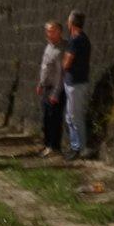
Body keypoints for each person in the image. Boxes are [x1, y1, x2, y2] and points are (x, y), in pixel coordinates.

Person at [62, 10, 92, 160]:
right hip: (75, 82)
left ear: (71, 23)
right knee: (70, 116)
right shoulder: (83, 39)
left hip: (76, 83)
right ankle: (75, 145)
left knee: (75, 116)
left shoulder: (75, 40)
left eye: (68, 21)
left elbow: (67, 63)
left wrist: (64, 62)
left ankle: (81, 147)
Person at [37, 21, 67, 157]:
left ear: (59, 31)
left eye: (51, 30)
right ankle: (47, 144)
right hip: (46, 88)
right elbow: (45, 67)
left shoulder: (62, 49)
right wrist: (40, 83)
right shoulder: (49, 46)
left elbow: (61, 73)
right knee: (46, 118)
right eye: (47, 30)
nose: (48, 33)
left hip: (56, 89)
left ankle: (54, 147)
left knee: (54, 118)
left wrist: (56, 93)